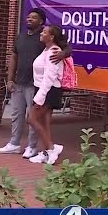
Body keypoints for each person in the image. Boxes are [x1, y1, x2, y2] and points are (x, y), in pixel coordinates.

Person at [0, 8, 71, 159]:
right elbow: (14, 57)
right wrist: (10, 79)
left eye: (34, 17)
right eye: (28, 16)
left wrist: (64, 53)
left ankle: (33, 147)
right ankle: (15, 144)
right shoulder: (21, 37)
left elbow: (64, 48)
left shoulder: (45, 39)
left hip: (36, 86)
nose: (29, 19)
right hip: (20, 82)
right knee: (18, 114)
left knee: (34, 118)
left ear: (41, 21)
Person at [27, 24, 66, 165]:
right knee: (44, 122)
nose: (41, 34)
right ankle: (46, 152)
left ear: (52, 36)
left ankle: (51, 149)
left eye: (44, 32)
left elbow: (49, 77)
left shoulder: (53, 51)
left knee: (31, 119)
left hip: (48, 91)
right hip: (43, 89)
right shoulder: (46, 49)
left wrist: (39, 98)